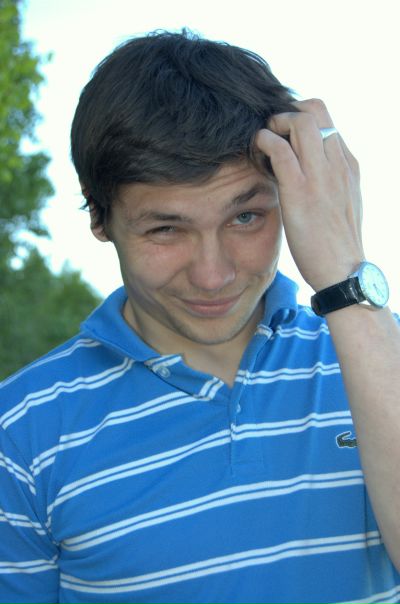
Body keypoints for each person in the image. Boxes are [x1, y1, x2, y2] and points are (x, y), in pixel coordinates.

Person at [0, 29, 399, 604]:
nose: (213, 275)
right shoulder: (19, 431)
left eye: (246, 218)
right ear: (98, 217)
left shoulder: (383, 351)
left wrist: (344, 271)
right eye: (166, 228)